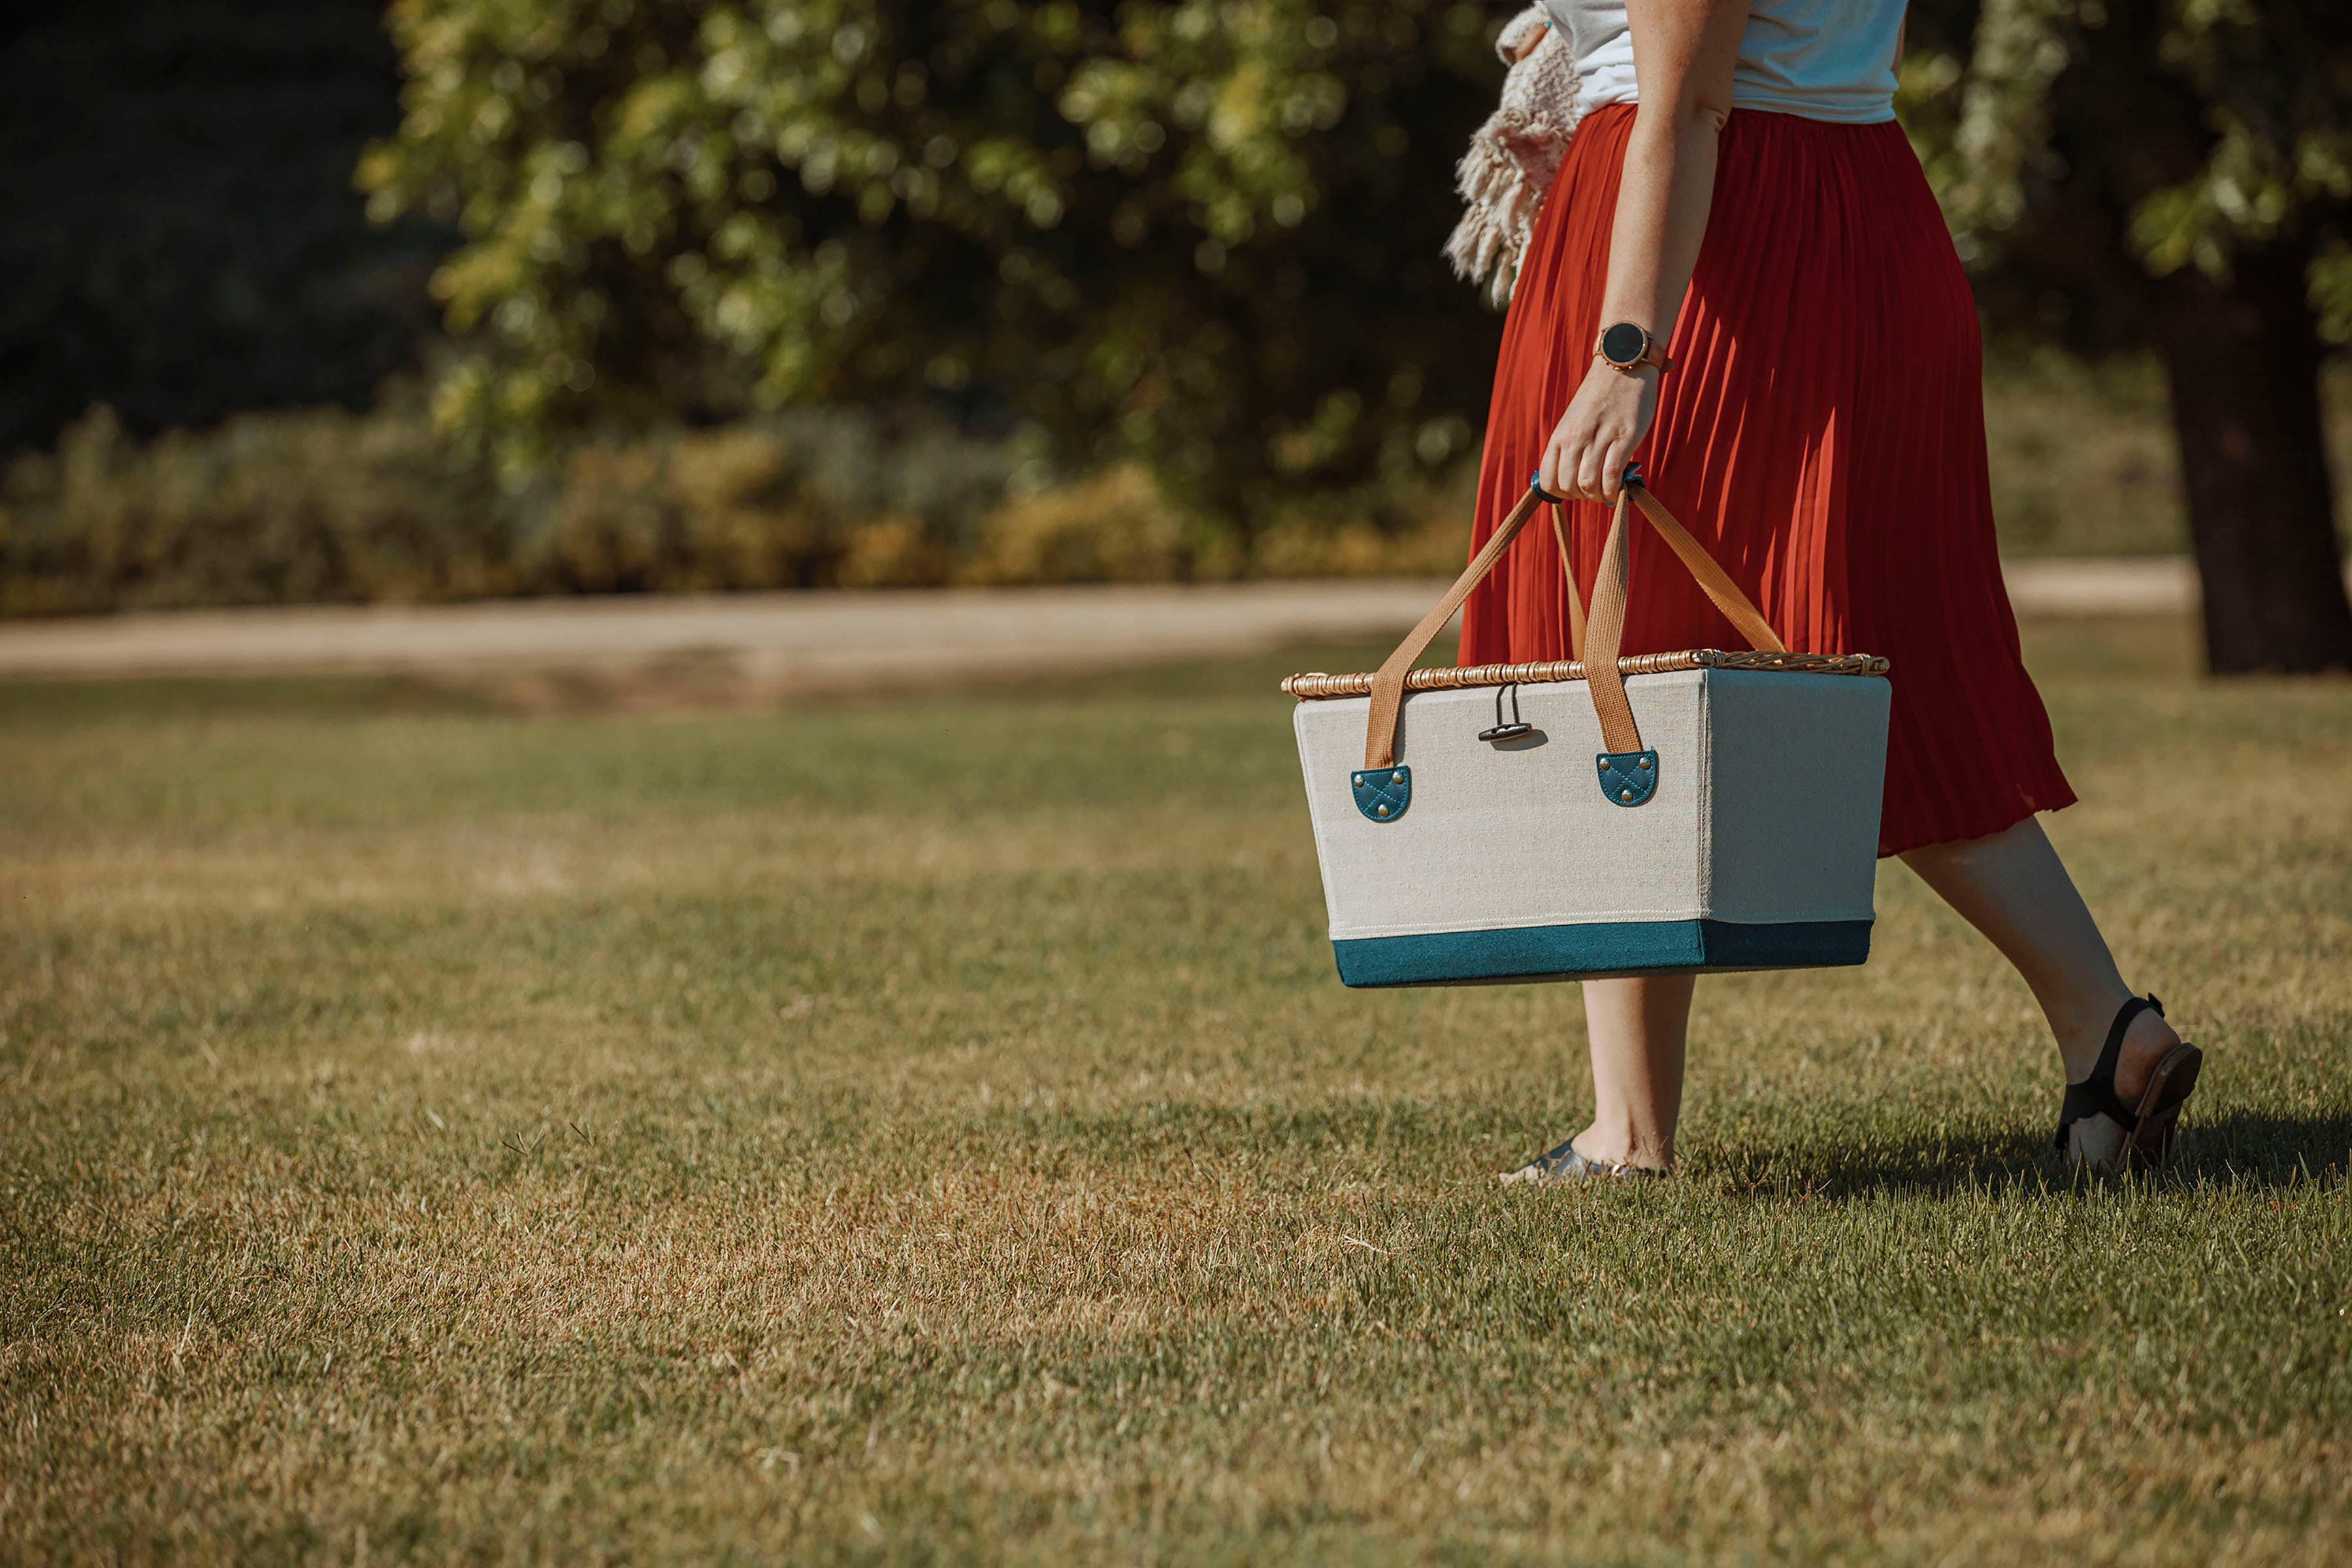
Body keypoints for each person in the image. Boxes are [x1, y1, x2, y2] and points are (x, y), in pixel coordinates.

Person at [1468, 0, 2203, 1181]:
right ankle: (2107, 1030)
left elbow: (1691, 100)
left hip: (1724, 259)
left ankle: (1630, 1136)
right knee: (1869, 677)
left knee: (1620, 666)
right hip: (1848, 210)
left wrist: (1625, 355)